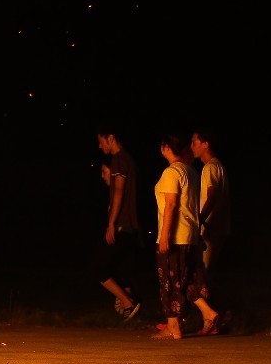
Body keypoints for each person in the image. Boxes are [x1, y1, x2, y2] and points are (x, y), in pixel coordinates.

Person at [151, 134, 220, 340]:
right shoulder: (190, 171)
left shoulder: (171, 172)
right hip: (190, 234)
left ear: (166, 147)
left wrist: (165, 236)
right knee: (188, 278)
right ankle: (208, 312)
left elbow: (171, 204)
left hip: (176, 235)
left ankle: (173, 327)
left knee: (170, 281)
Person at [94, 128, 143, 320]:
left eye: (101, 141)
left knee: (97, 266)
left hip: (123, 225)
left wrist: (111, 223)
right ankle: (129, 301)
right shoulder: (128, 160)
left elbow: (119, 193)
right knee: (121, 267)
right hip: (131, 226)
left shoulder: (119, 160)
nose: (100, 146)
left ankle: (128, 302)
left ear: (111, 138)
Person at [191, 128, 231, 334]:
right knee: (205, 273)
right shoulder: (216, 166)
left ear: (205, 144)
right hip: (218, 226)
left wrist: (199, 219)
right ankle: (215, 315)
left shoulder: (211, 167)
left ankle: (218, 312)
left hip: (211, 229)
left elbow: (212, 195)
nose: (192, 147)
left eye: (195, 142)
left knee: (202, 275)